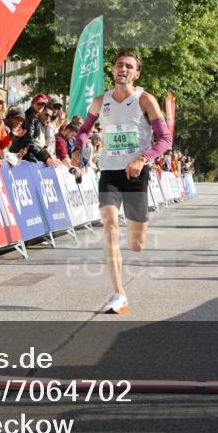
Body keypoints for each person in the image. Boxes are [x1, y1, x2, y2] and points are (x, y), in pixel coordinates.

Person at [71, 49, 173, 315]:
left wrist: (143, 158)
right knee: (110, 226)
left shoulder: (145, 100)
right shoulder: (99, 101)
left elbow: (165, 139)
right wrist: (77, 147)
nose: (123, 69)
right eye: (119, 65)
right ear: (113, 70)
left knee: (136, 244)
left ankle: (134, 239)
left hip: (136, 174)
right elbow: (83, 130)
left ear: (136, 72)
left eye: (129, 66)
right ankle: (119, 293)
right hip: (109, 172)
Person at [11, 93, 55, 166]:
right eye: (39, 103)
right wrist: (45, 158)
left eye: (43, 104)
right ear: (33, 103)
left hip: (22, 153)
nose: (41, 106)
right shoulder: (31, 117)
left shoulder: (33, 116)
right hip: (21, 155)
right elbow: (29, 140)